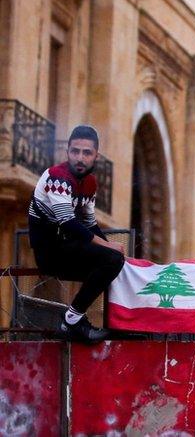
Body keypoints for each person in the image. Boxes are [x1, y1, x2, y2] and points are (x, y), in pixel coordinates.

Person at [28, 125, 125, 343]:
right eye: (75, 151)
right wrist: (109, 248)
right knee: (111, 260)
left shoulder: (89, 183)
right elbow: (69, 222)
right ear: (68, 152)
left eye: (86, 153)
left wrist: (113, 251)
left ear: (95, 156)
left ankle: (112, 324)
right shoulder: (57, 177)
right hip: (50, 251)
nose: (80, 158)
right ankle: (72, 320)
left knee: (116, 265)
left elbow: (89, 223)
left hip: (69, 247)